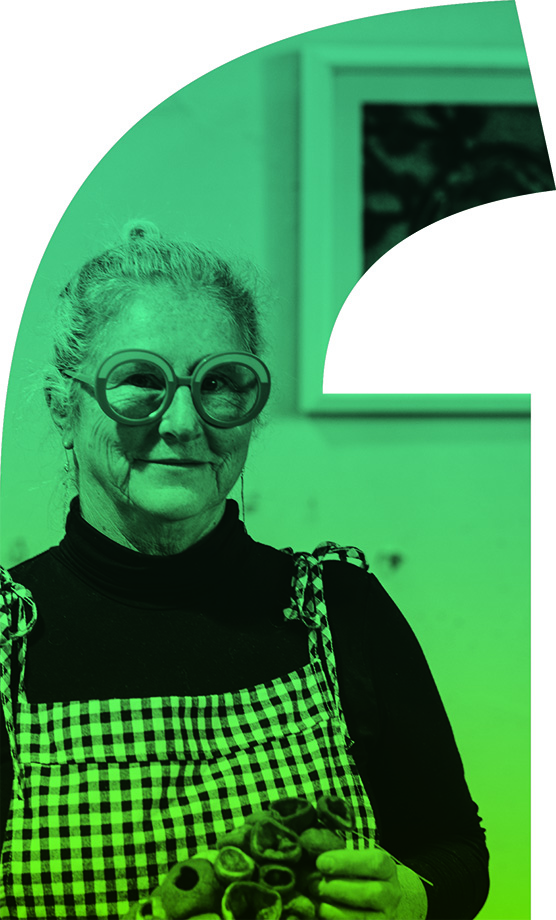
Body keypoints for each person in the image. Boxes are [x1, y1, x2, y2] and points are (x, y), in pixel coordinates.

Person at [0, 222, 489, 919]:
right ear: (63, 405)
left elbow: (455, 847)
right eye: (139, 380)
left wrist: (411, 897)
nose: (183, 422)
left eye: (220, 383)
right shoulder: (10, 641)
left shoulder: (338, 611)